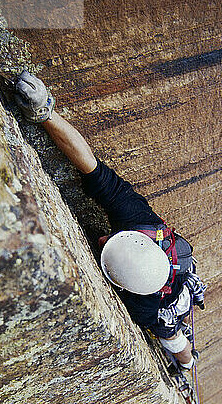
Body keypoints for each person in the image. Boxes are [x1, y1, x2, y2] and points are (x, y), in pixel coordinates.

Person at [13, 71, 207, 369]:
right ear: (136, 239)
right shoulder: (139, 219)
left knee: (175, 338)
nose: (102, 238)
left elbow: (159, 324)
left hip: (168, 290)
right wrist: (45, 112)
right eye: (110, 241)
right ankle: (188, 358)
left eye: (104, 246)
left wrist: (179, 347)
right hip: (177, 263)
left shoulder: (143, 308)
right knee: (175, 322)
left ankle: (187, 363)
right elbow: (91, 167)